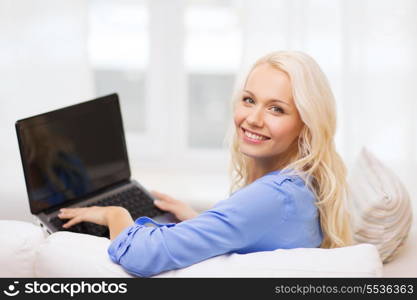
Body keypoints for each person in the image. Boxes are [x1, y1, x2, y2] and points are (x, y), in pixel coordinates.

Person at [58, 51, 352, 277]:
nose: (253, 119)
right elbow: (257, 232)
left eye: (277, 109)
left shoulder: (273, 196)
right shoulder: (302, 182)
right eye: (249, 100)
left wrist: (114, 213)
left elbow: (142, 255)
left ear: (306, 124)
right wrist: (199, 220)